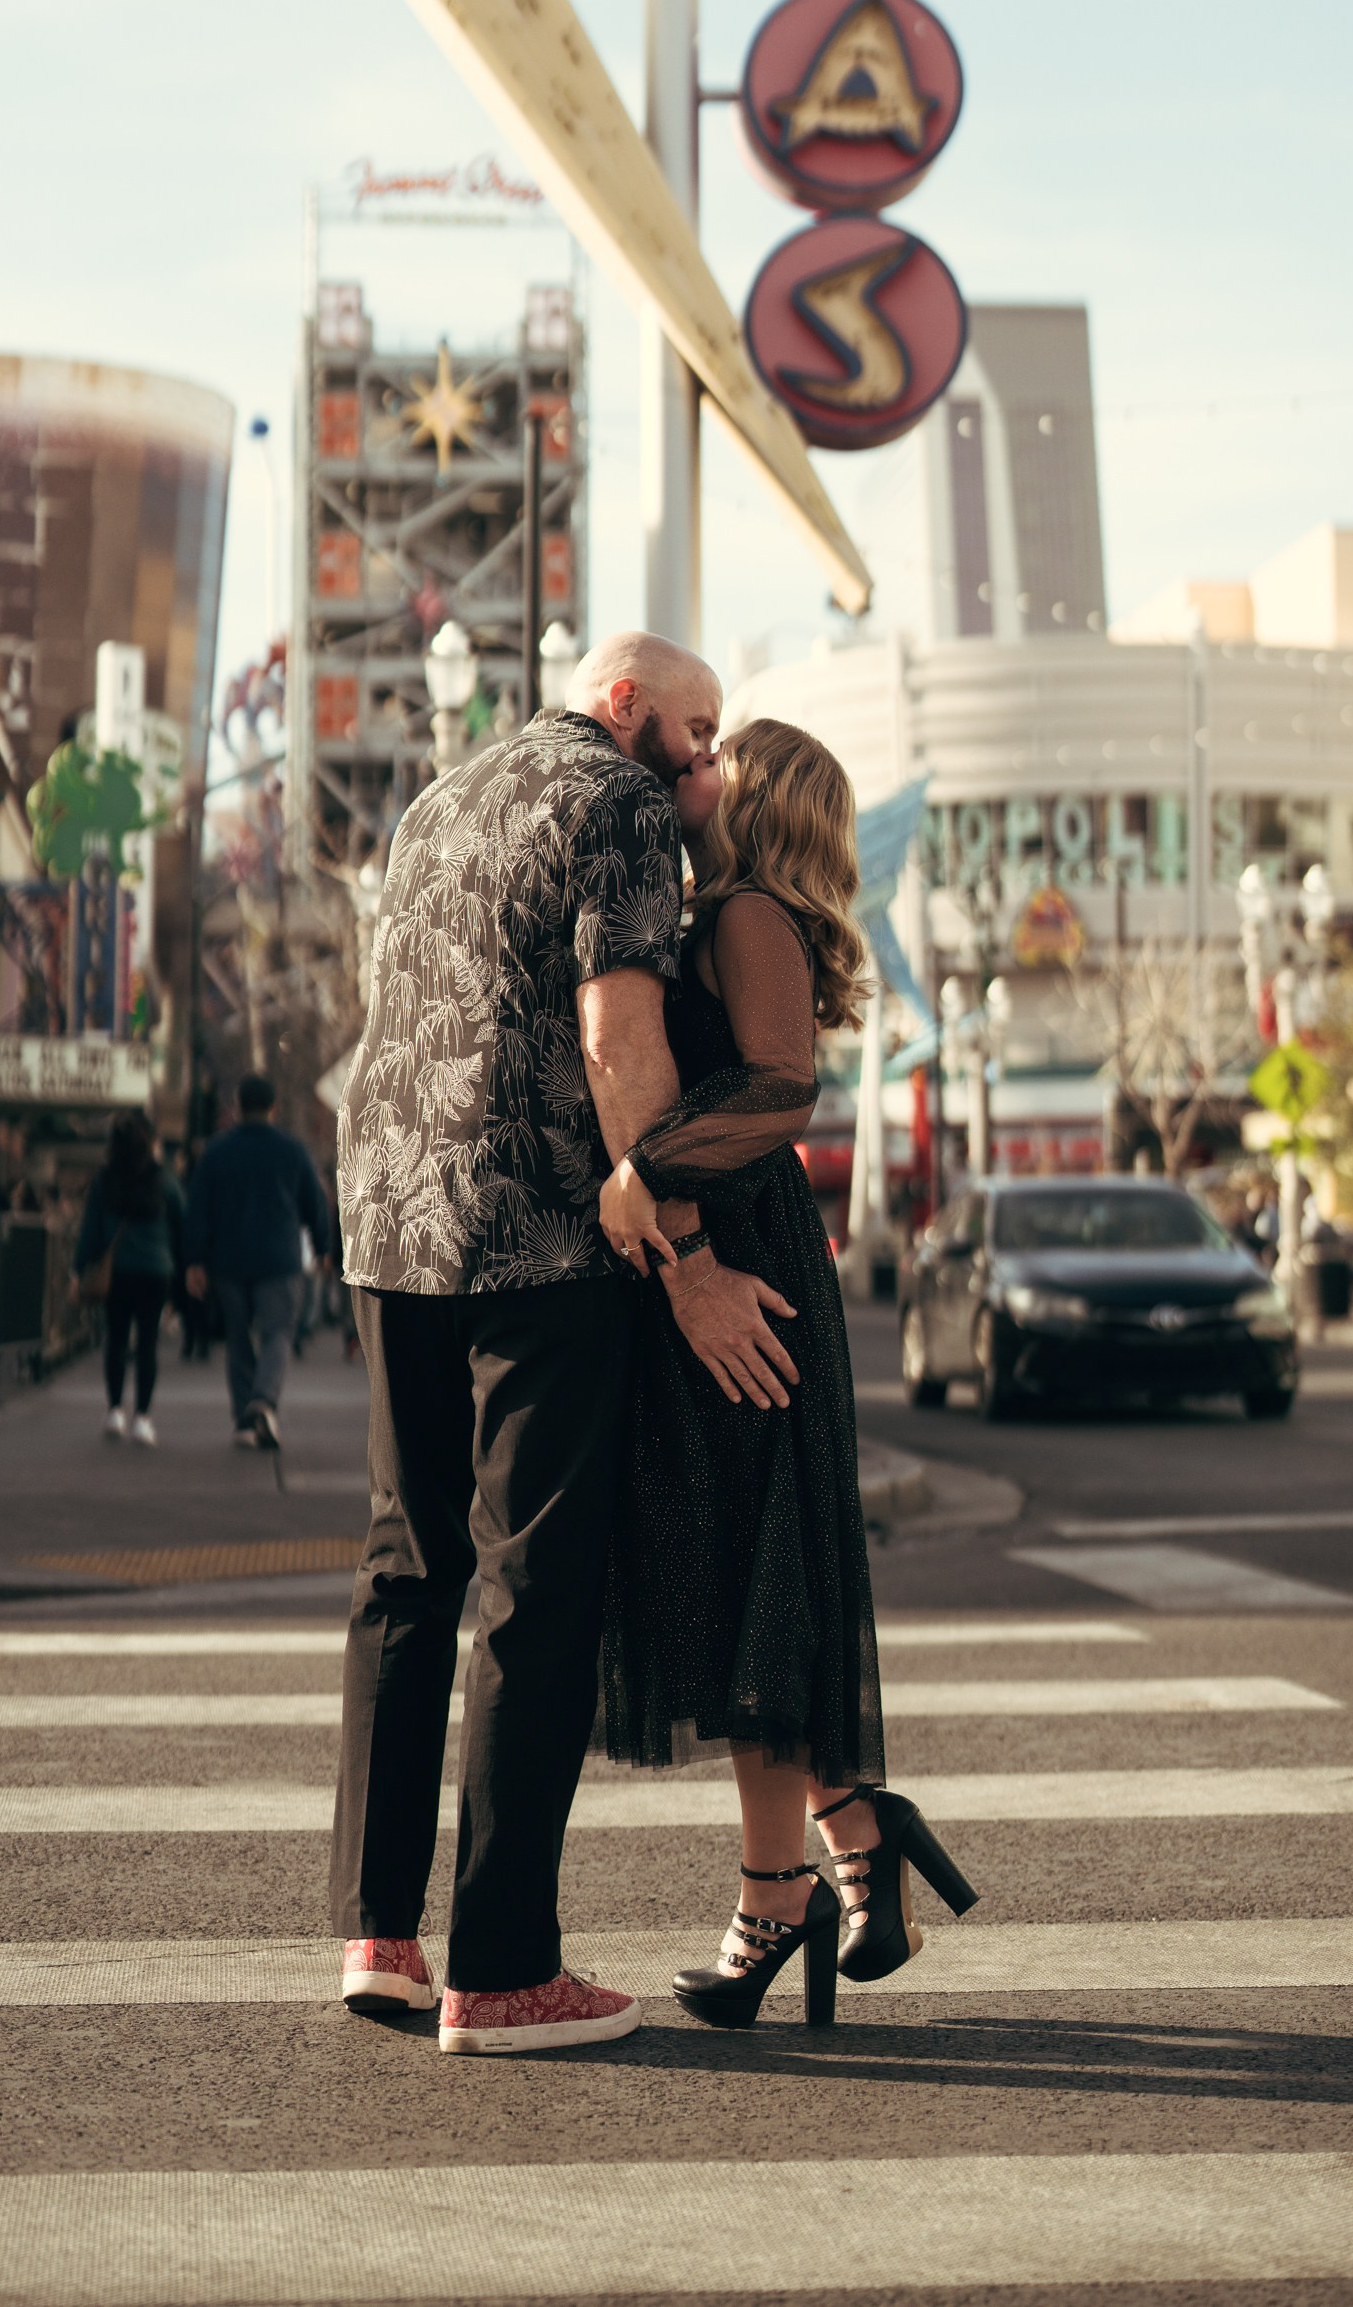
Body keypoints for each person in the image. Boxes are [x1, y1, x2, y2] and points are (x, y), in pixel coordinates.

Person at [328, 632, 794, 2057]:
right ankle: (504, 1970)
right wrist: (692, 1264)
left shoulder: (437, 801)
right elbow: (617, 1041)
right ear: (623, 704)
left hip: (390, 1227)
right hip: (535, 1236)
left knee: (405, 1571)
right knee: (534, 1589)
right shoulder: (620, 802)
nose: (707, 763)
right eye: (697, 732)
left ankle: (380, 1936)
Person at [597, 716, 977, 2029]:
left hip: (747, 1263)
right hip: (745, 1249)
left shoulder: (750, 912)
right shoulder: (730, 910)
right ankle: (850, 1839)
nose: (693, 769)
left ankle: (789, 1889)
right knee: (753, 1576)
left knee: (754, 1579)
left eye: (718, 759)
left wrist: (643, 1169)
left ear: (757, 800)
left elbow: (778, 1088)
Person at [184, 1075, 329, 1451]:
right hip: (279, 1259)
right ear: (274, 1108)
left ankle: (243, 1419)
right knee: (277, 1333)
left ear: (237, 1106)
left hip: (228, 1261)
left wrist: (195, 1260)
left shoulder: (216, 1151)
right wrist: (323, 1246)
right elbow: (315, 1203)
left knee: (237, 1339)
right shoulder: (292, 1150)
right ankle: (263, 1400)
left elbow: (198, 1209)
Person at [74, 1109, 183, 1448]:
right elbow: (182, 1224)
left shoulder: (104, 1181)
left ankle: (115, 1410)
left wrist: (78, 1269)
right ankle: (143, 1418)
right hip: (155, 1271)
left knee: (116, 1339)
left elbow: (90, 1230)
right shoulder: (164, 1182)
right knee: (148, 1343)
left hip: (117, 1271)